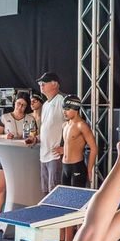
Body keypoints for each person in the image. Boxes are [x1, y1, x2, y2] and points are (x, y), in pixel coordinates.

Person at [0, 95, 38, 232]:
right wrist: (5, 136)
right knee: (1, 187)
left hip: (24, 158)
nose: (20, 107)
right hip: (7, 157)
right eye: (18, 104)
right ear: (14, 103)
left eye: (23, 105)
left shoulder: (30, 119)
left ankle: (20, 219)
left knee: (21, 190)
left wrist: (30, 139)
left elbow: (34, 136)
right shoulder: (5, 117)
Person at [55, 95, 98, 241]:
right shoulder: (65, 125)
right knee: (65, 206)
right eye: (64, 109)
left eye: (67, 109)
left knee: (77, 207)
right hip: (65, 167)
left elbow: (93, 148)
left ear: (75, 109)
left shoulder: (82, 126)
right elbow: (68, 144)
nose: (65, 112)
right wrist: (62, 150)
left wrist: (89, 169)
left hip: (77, 167)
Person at [36, 72, 66, 200]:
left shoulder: (62, 100)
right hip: (44, 155)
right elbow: (46, 128)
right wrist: (35, 138)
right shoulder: (46, 105)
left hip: (55, 155)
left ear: (54, 84)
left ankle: (56, 219)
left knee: (54, 192)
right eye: (40, 83)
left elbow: (72, 125)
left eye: (44, 82)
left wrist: (65, 147)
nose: (40, 85)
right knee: (46, 192)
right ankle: (47, 218)